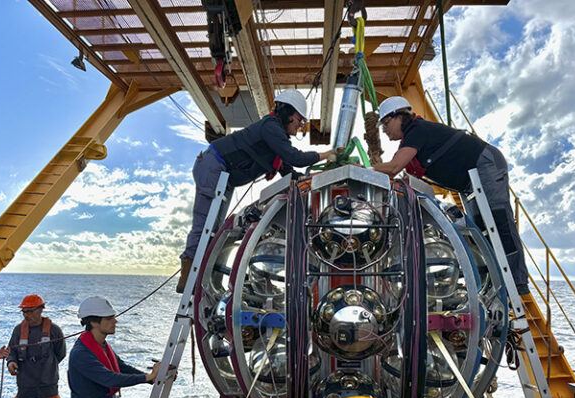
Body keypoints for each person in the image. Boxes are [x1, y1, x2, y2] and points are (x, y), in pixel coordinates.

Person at [177, 89, 335, 293]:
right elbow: (295, 157)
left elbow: (289, 171)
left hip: (225, 175)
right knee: (206, 222)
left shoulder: (277, 141)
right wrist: (326, 155)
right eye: (299, 120)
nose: (300, 126)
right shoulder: (270, 127)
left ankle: (200, 273)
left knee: (215, 227)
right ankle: (188, 271)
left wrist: (314, 178)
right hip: (214, 165)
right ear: (287, 113)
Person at [372, 96, 530, 295]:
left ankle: (517, 281)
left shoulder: (416, 130)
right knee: (479, 230)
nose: (384, 130)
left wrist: (363, 170)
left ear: (399, 117)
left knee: (498, 221)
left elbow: (394, 167)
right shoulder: (411, 138)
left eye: (386, 124)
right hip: (467, 182)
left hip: (485, 164)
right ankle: (493, 281)